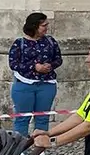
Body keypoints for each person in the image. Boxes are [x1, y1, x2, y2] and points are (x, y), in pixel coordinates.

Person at [9, 12, 63, 145]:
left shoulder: (50, 41)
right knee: (22, 118)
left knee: (43, 118)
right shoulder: (19, 43)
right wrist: (34, 67)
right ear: (34, 26)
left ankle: (40, 146)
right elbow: (13, 64)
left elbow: (58, 59)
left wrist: (50, 65)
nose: (46, 28)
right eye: (43, 25)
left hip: (47, 85)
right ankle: (19, 148)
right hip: (24, 85)